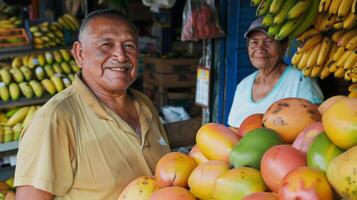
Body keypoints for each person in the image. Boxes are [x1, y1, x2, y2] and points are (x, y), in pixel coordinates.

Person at [14, 9, 171, 199]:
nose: (121, 56)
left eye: (129, 46)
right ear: (79, 54)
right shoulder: (54, 119)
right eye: (106, 45)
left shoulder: (144, 104)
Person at [228, 17, 324, 128]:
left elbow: (315, 126)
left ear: (284, 47)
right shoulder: (242, 86)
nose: (260, 48)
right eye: (254, 42)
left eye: (269, 41)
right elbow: (233, 129)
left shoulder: (301, 81)